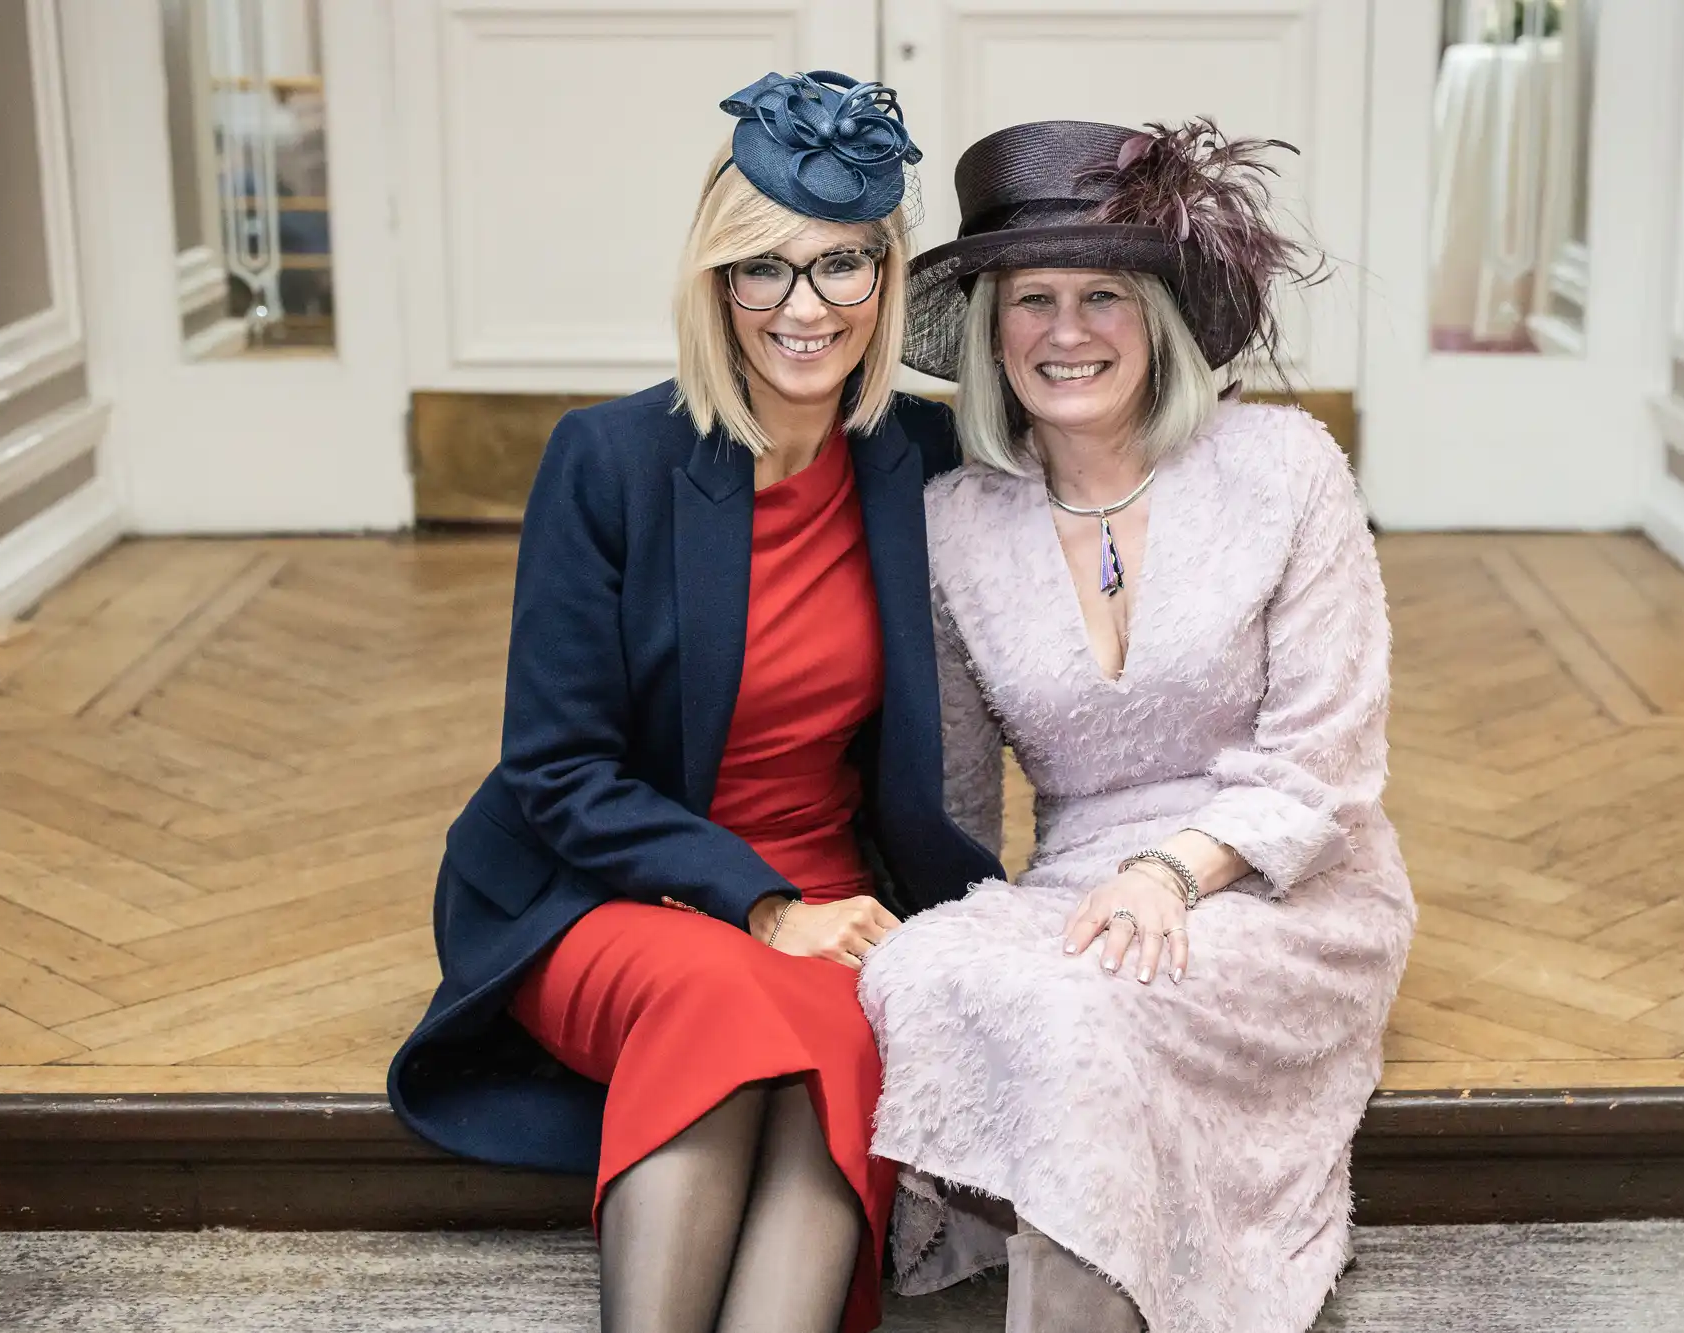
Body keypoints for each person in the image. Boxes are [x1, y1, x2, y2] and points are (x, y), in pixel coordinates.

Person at [386, 71, 1000, 1333]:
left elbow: (1098, 446)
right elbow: (557, 770)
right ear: (714, 282)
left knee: (847, 1041)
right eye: (761, 267)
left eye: (839, 266)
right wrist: (761, 905)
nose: (802, 306)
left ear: (885, 280)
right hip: (605, 889)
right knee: (723, 997)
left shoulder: (918, 461)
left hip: (836, 898)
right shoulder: (610, 461)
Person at [858, 119, 1416, 1333]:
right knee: (921, 970)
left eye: (1102, 294)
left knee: (1082, 1012)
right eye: (1033, 299)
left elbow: (1328, 764)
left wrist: (1175, 869)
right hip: (1075, 884)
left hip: (1284, 884)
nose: (1065, 333)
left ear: (1155, 315)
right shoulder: (955, 519)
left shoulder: (1283, 466)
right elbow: (955, 796)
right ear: (994, 328)